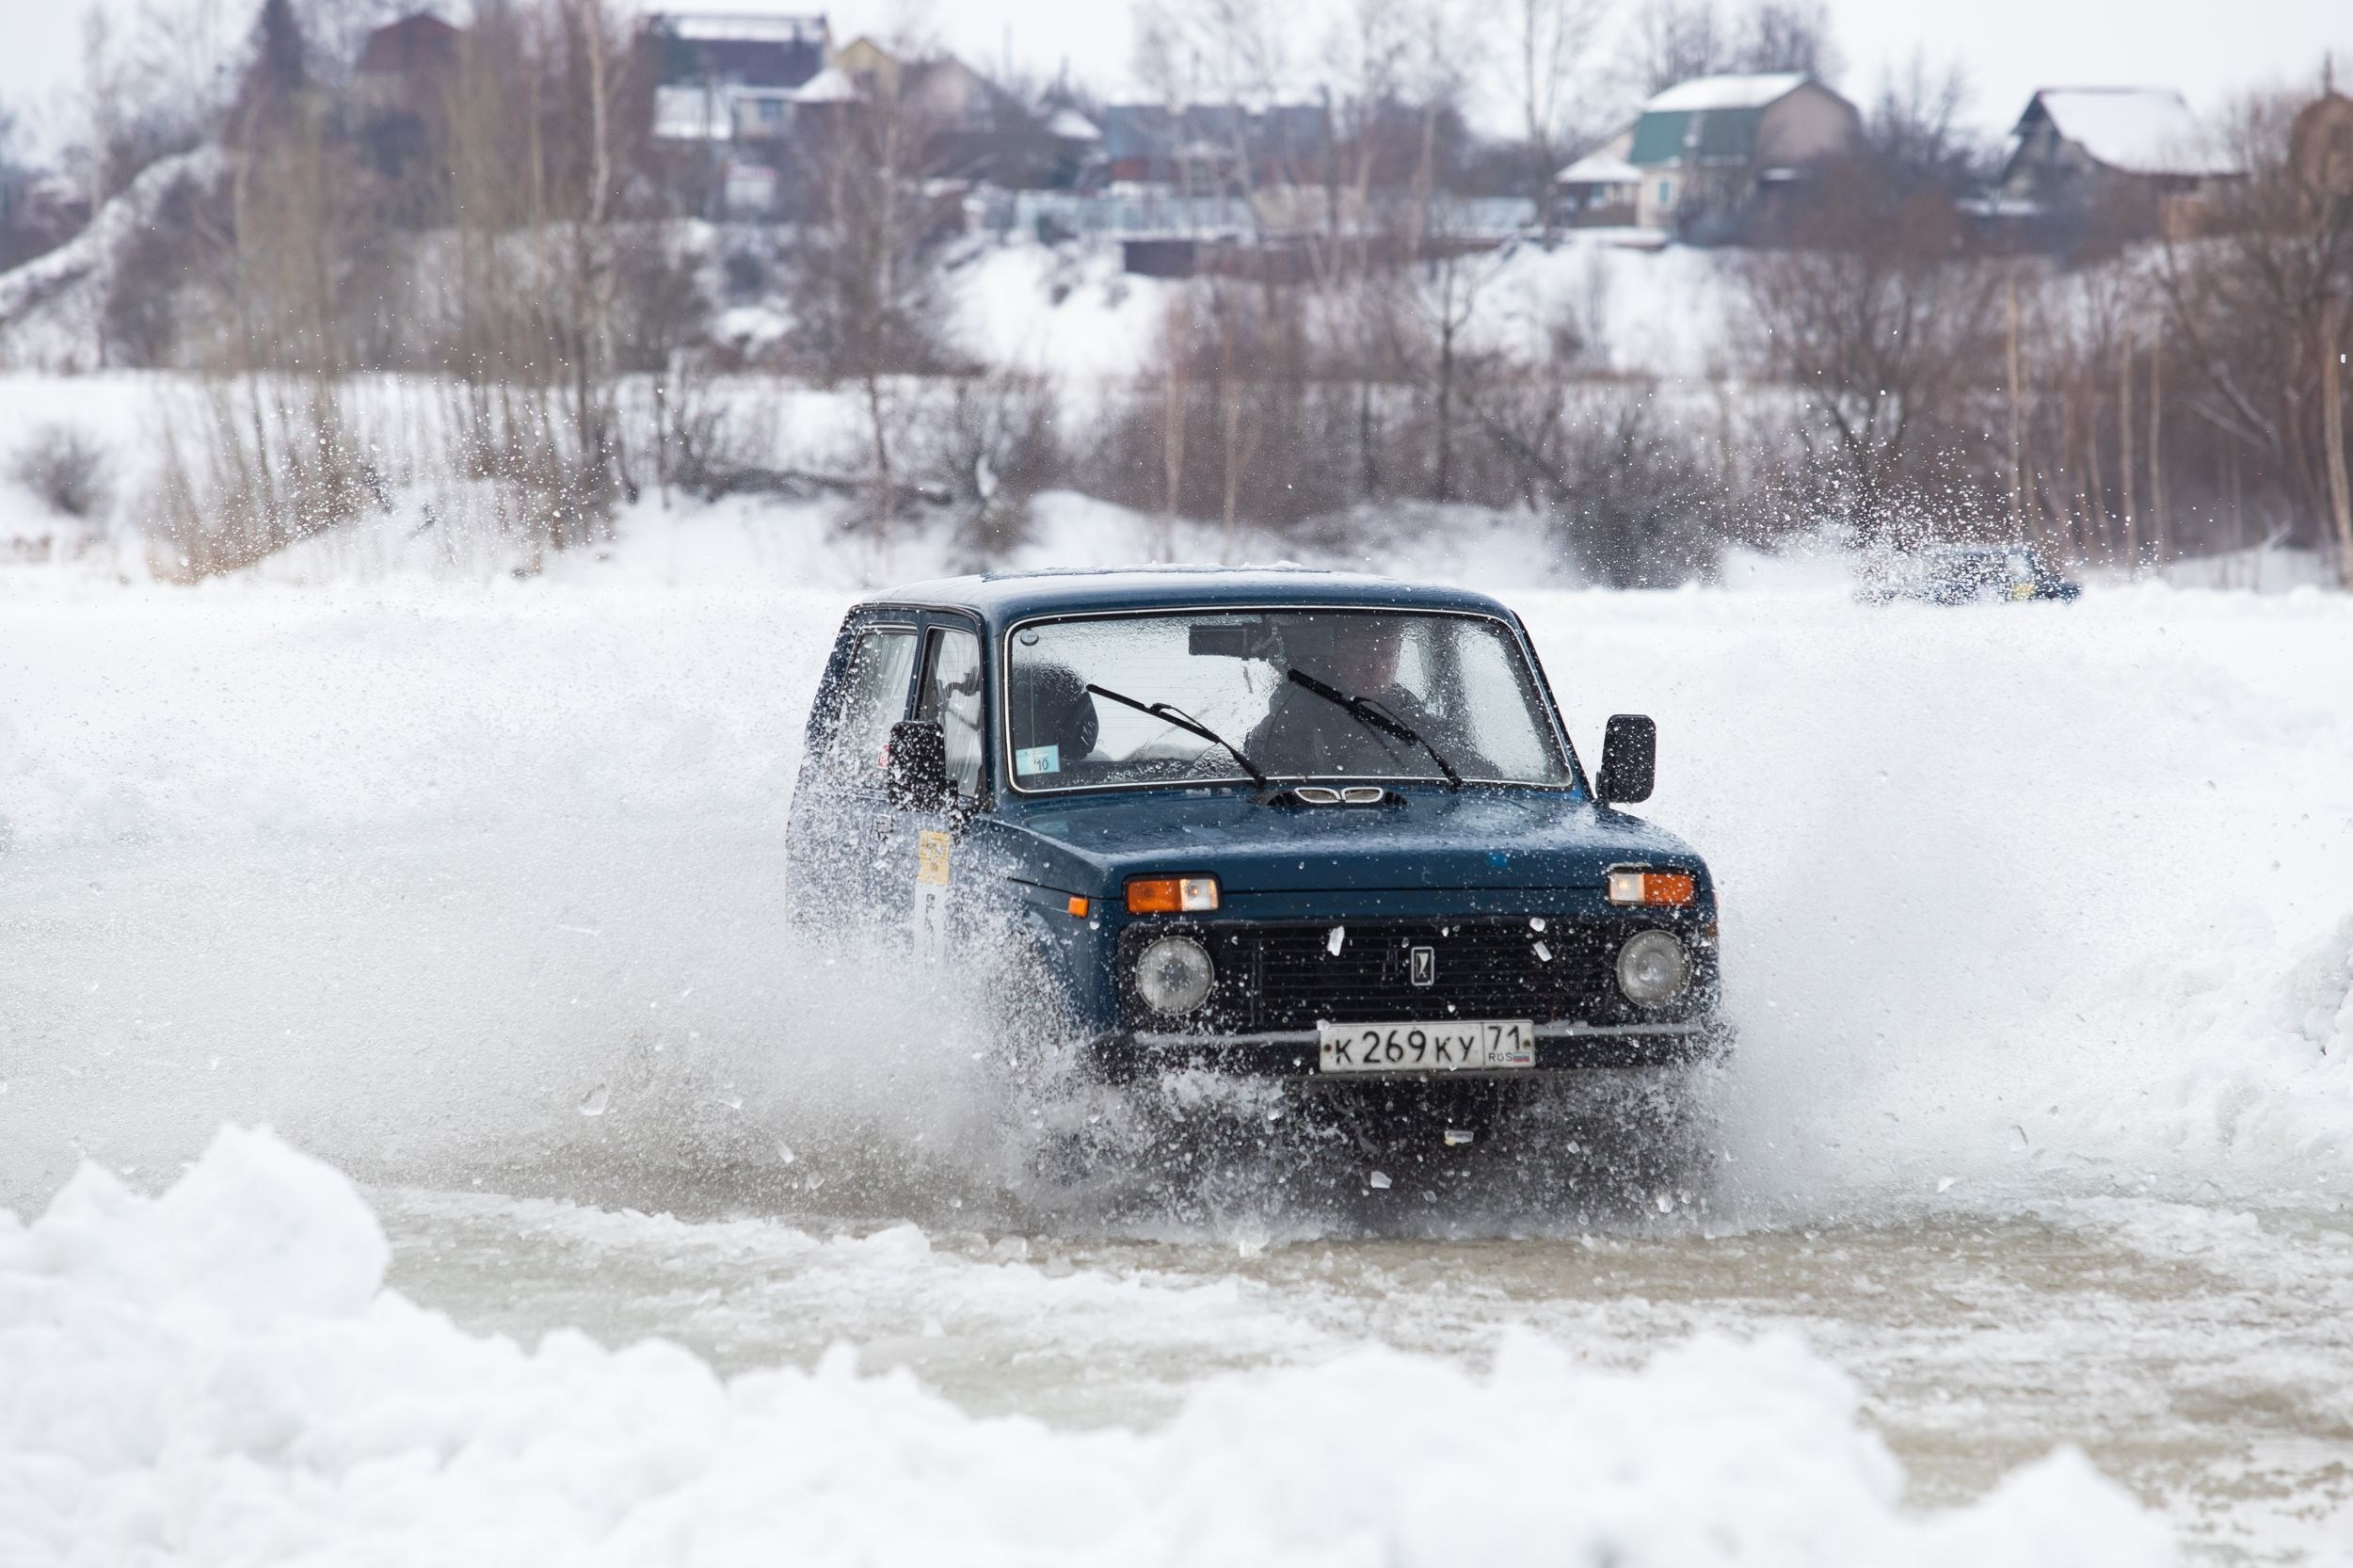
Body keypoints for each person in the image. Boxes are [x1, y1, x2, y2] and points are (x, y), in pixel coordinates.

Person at [1245, 616, 1445, 779]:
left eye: (1387, 655)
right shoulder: (1288, 722)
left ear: (1399, 655)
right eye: (1361, 654)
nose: (1375, 668)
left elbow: (1465, 773)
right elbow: (1272, 793)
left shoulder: (1418, 724)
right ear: (1335, 656)